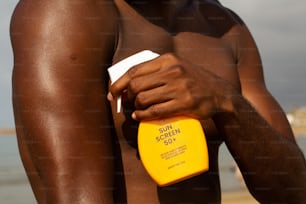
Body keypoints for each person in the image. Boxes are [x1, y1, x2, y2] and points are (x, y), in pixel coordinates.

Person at [10, 0, 306, 203]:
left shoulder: (224, 26)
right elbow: (74, 195)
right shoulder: (66, 11)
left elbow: (294, 191)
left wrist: (227, 102)